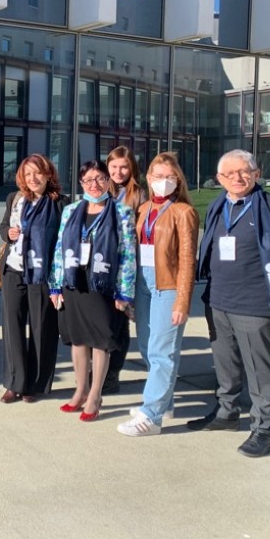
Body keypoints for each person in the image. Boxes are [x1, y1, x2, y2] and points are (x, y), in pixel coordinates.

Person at [186, 149, 270, 457]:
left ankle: (263, 428)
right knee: (225, 365)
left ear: (256, 173)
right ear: (219, 179)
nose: (238, 178)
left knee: (259, 369)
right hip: (218, 301)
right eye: (230, 174)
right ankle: (226, 413)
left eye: (245, 171)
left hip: (255, 304)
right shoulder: (218, 206)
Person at [116, 153, 198, 437]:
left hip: (168, 285)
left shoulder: (183, 212)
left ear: (178, 181)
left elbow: (188, 260)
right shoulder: (143, 208)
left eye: (169, 177)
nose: (163, 182)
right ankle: (165, 401)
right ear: (148, 179)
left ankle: (151, 416)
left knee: (163, 351)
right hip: (143, 283)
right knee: (147, 348)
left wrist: (182, 300)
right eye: (158, 177)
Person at [49, 160, 136, 422]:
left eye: (99, 179)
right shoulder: (71, 210)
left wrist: (124, 293)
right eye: (88, 180)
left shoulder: (121, 212)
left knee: (100, 342)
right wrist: (55, 284)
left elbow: (128, 254)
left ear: (108, 181)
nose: (94, 185)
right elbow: (59, 248)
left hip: (104, 284)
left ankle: (95, 395)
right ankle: (80, 389)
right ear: (81, 183)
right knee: (78, 340)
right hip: (75, 282)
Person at [0, 154, 66, 403]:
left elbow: (62, 242)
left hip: (42, 274)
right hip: (14, 270)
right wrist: (9, 233)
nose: (33, 178)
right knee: (13, 327)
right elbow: (3, 228)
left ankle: (35, 384)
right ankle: (14, 383)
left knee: (42, 328)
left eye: (38, 173)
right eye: (28, 174)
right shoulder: (15, 199)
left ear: (48, 174)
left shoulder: (60, 203)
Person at [103, 145, 147, 395]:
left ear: (132, 169)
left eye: (124, 167)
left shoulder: (138, 196)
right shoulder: (100, 190)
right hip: (100, 266)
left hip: (124, 268)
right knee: (100, 320)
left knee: (119, 323)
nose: (119, 172)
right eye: (114, 167)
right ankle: (98, 368)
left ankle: (112, 373)